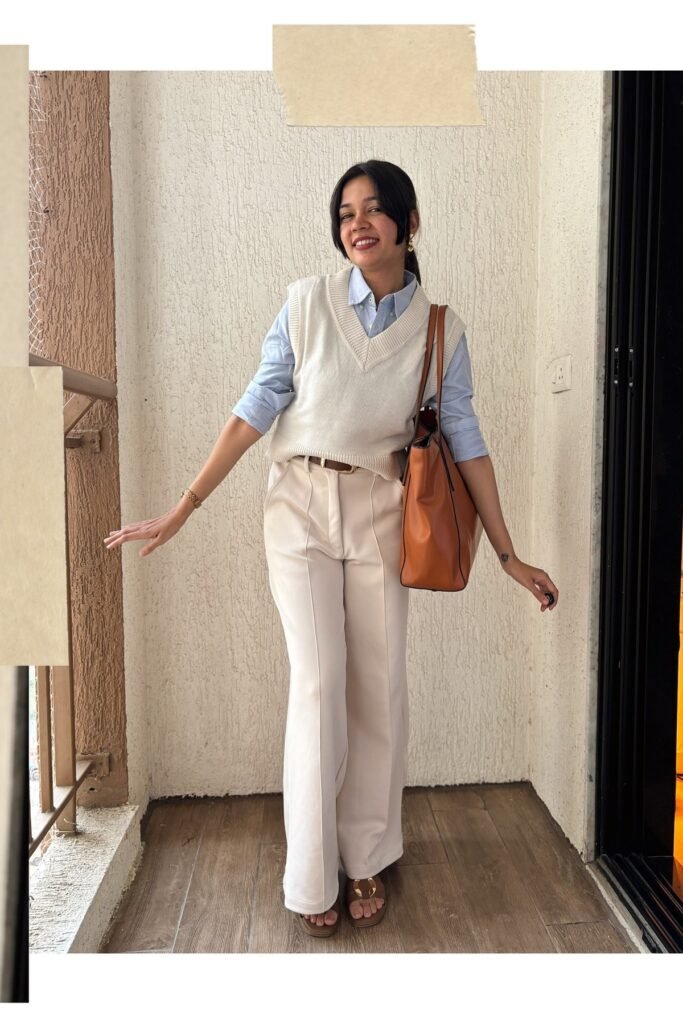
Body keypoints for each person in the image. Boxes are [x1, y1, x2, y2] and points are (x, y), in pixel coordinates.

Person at [105, 159, 559, 939]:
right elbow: (258, 403)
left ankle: (367, 858)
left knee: (378, 689)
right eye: (346, 211)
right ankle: (310, 873)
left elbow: (465, 436)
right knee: (319, 685)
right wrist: (185, 505)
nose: (358, 223)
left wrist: (508, 553)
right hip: (299, 510)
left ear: (408, 225)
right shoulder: (305, 302)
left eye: (376, 209)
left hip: (384, 512)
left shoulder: (439, 329)